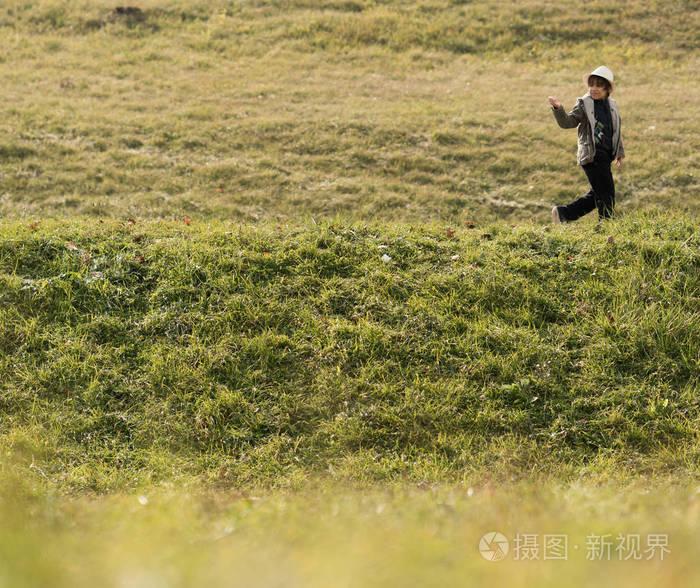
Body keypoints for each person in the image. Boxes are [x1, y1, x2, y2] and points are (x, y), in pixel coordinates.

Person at [548, 66, 625, 223]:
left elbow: (615, 130)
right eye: (591, 85)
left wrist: (619, 151)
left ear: (607, 88)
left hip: (605, 156)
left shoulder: (612, 105)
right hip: (591, 155)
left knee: (598, 194)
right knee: (607, 194)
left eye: (598, 85)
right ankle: (606, 224)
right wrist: (558, 109)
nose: (594, 89)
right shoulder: (584, 104)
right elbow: (568, 122)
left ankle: (563, 214)